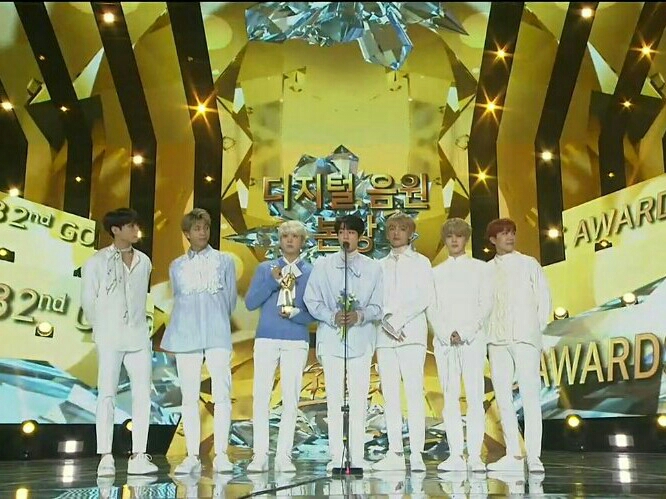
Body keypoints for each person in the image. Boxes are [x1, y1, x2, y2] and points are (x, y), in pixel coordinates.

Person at [81, 208, 158, 476]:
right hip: (110, 336)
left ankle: (139, 454)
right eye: (130, 226)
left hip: (138, 336)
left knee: (142, 395)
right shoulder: (96, 261)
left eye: (136, 225)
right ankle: (105, 456)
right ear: (116, 230)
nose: (136, 230)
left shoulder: (144, 261)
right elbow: (88, 300)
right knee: (107, 394)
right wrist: (102, 327)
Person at [303, 214, 383, 471]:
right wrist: (331, 316)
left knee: (359, 400)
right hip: (332, 340)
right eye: (341, 232)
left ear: (360, 237)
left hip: (361, 340)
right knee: (334, 400)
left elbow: (379, 305)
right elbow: (311, 300)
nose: (345, 237)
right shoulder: (323, 265)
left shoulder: (373, 268)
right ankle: (336, 455)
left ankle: (357, 456)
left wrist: (360, 315)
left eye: (350, 232)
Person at [161, 208, 237, 474]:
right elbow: (177, 298)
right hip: (186, 334)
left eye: (205, 228)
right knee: (189, 396)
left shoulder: (224, 261)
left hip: (217, 333)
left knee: (222, 394)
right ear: (187, 234)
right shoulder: (177, 266)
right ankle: (192, 455)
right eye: (197, 229)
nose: (202, 233)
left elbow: (230, 300)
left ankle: (222, 454)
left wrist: (216, 318)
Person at [244, 220, 315, 473]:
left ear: (302, 241)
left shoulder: (311, 272)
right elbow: (250, 303)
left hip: (296, 340)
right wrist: (273, 282)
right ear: (280, 240)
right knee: (261, 397)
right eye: (286, 236)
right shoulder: (266, 268)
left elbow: (315, 312)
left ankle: (284, 455)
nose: (290, 240)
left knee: (290, 399)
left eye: (295, 236)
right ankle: (260, 454)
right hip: (266, 338)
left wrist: (297, 314)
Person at [485, 218, 551, 474]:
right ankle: (514, 453)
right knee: (503, 398)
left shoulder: (529, 264)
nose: (509, 237)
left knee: (531, 397)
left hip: (525, 337)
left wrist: (537, 329)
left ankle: (534, 456)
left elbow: (544, 297)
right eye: (503, 234)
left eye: (512, 233)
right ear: (493, 240)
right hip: (497, 339)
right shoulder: (486, 270)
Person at [428, 218, 492, 473]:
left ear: (466, 238)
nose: (454, 240)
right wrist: (446, 333)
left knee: (475, 398)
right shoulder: (435, 273)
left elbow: (485, 304)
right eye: (450, 236)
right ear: (444, 239)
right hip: (444, 343)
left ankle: (474, 456)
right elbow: (431, 307)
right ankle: (455, 454)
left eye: (459, 235)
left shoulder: (481, 269)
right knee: (450, 399)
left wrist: (464, 332)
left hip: (472, 341)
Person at [372, 212, 432, 472]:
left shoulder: (421, 262)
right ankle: (394, 451)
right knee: (390, 396)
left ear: (410, 233)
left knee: (414, 393)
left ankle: (416, 453)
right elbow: (374, 297)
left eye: (402, 228)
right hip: (384, 337)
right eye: (392, 228)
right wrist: (386, 320)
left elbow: (424, 296)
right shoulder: (378, 265)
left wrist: (398, 321)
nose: (396, 233)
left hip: (411, 335)